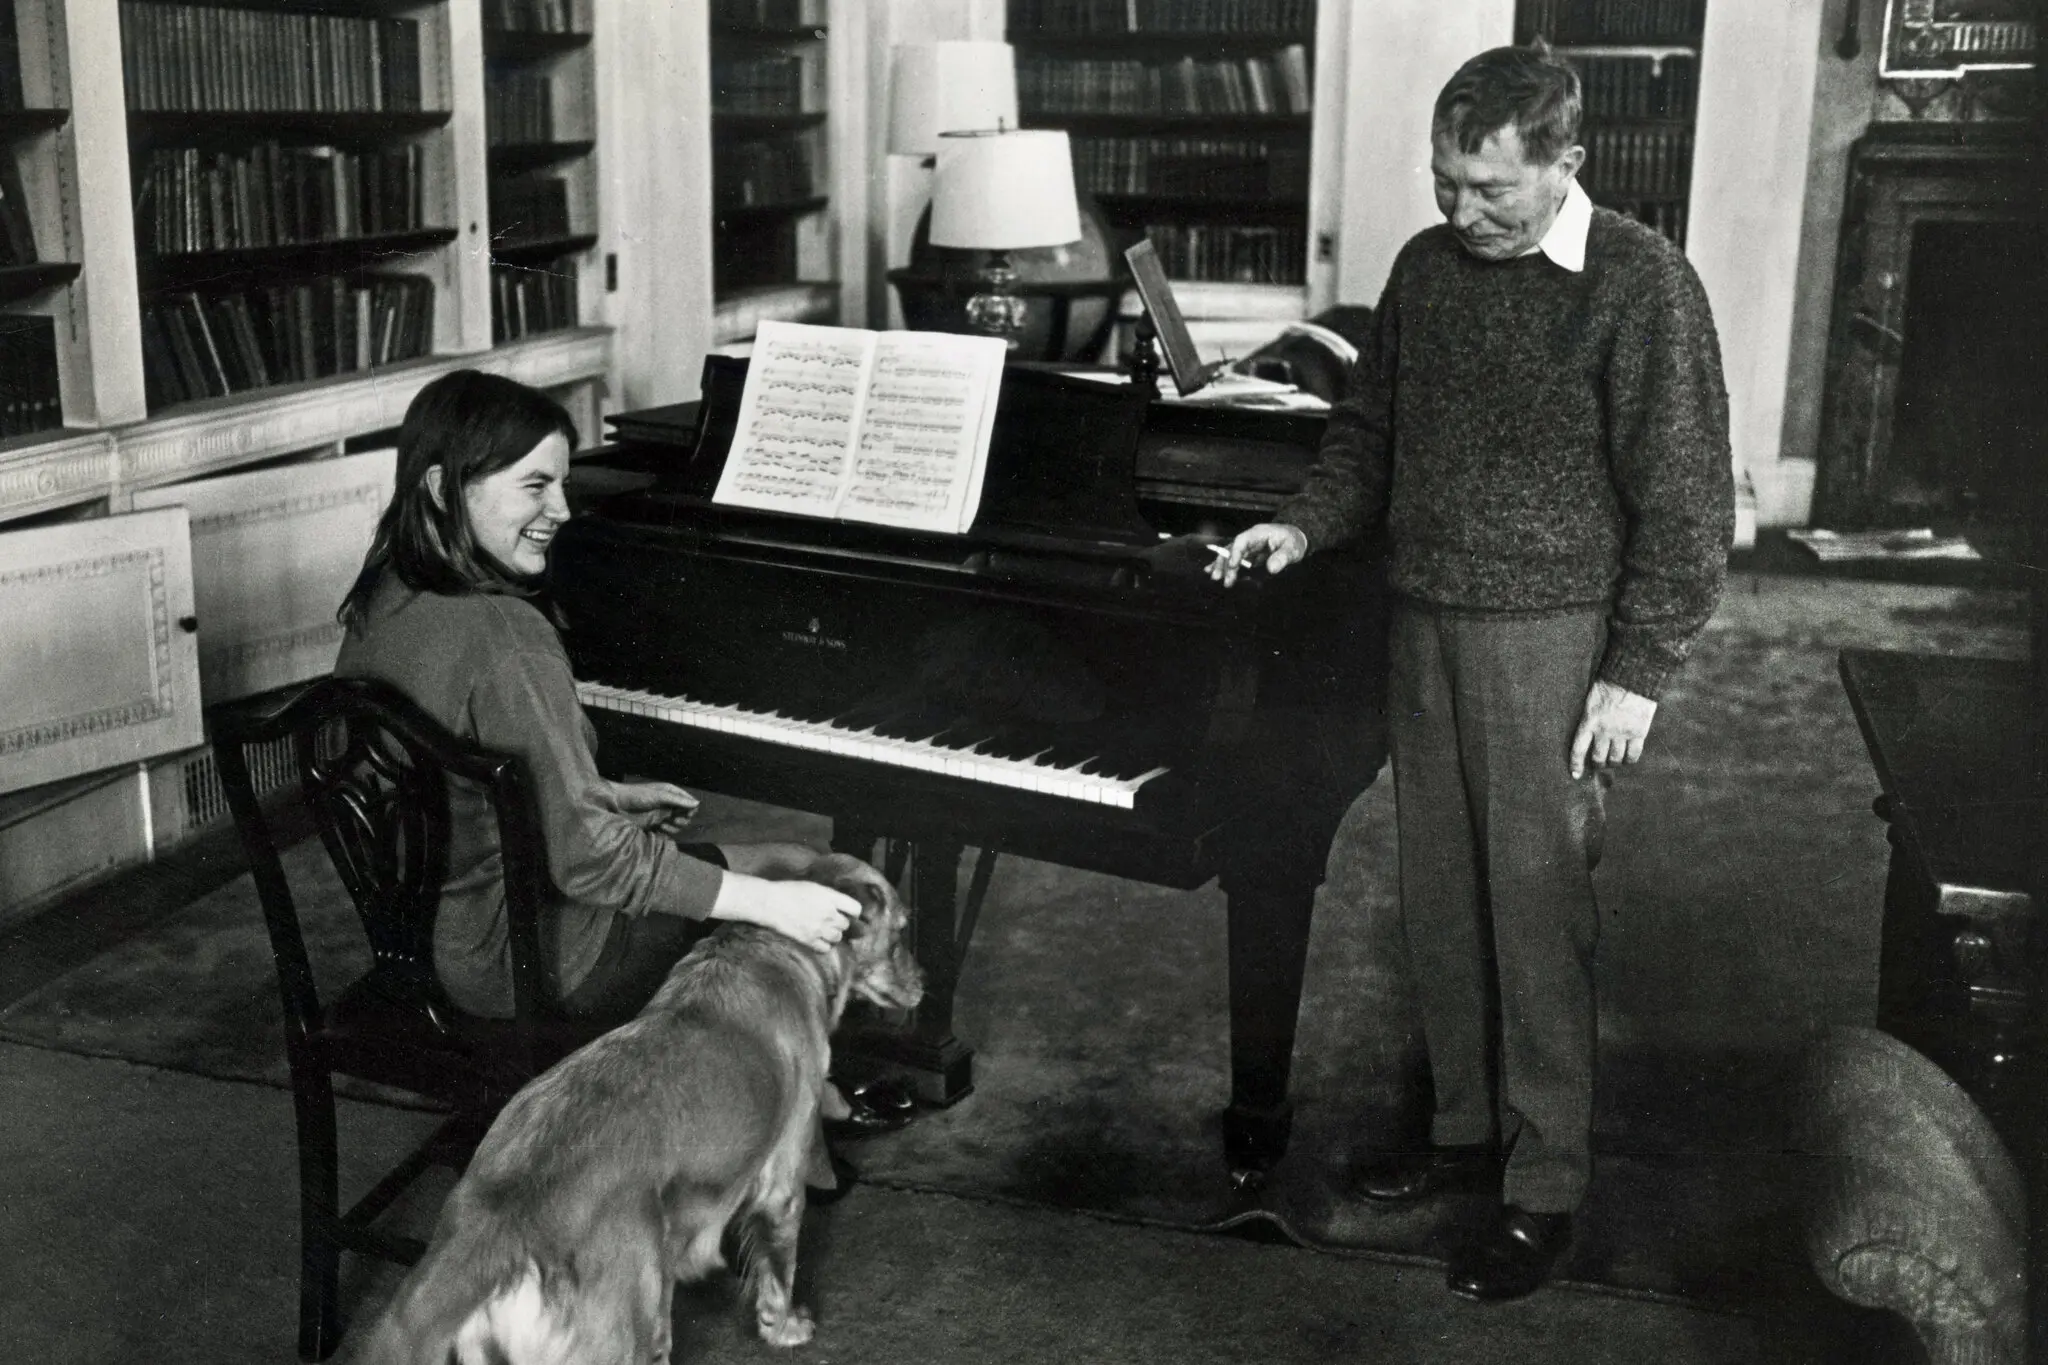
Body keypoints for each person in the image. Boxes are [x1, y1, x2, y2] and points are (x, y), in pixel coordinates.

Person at [1210, 45, 1733, 1302]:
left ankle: (1543, 1183)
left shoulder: (1641, 284)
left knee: (1537, 909)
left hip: (1549, 638)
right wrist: (1306, 523)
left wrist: (1637, 669)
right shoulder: (1422, 270)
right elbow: (1368, 437)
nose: (1461, 212)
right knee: (1438, 901)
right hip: (1421, 619)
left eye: (1491, 189)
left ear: (1567, 162)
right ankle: (1458, 1134)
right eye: (1444, 183)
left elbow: (1686, 501)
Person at [334, 369, 867, 1029]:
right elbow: (590, 863)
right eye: (534, 485)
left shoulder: (382, 593)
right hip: (527, 965)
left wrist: (597, 796)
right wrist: (771, 904)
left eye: (562, 481)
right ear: (443, 489)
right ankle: (779, 1097)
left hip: (422, 943)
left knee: (759, 873)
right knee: (798, 869)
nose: (561, 509)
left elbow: (455, 781)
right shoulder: (507, 638)